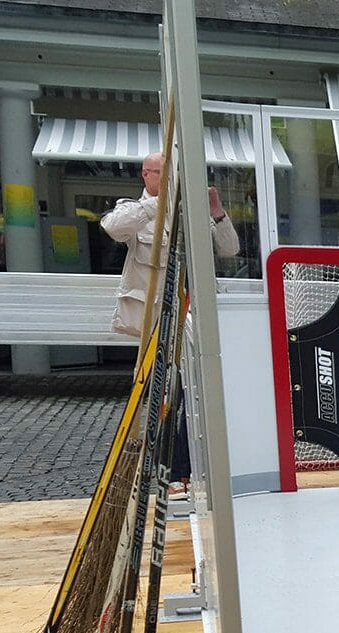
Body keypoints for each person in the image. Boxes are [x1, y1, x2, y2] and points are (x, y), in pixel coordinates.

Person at [102, 151, 239, 495]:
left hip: (192, 316)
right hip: (156, 322)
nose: (169, 180)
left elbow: (230, 249)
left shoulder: (191, 213)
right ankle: (165, 470)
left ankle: (185, 469)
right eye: (161, 174)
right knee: (165, 394)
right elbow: (114, 228)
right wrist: (158, 201)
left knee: (195, 392)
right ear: (146, 175)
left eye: (172, 175)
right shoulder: (135, 211)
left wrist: (216, 212)